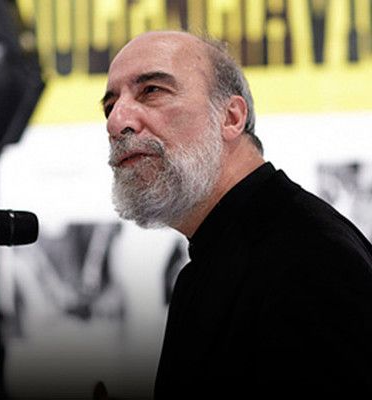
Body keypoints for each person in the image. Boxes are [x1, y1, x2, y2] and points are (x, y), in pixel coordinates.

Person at [102, 31, 372, 397]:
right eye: (110, 106)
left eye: (151, 90)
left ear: (231, 117)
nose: (117, 122)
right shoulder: (220, 257)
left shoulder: (310, 258)